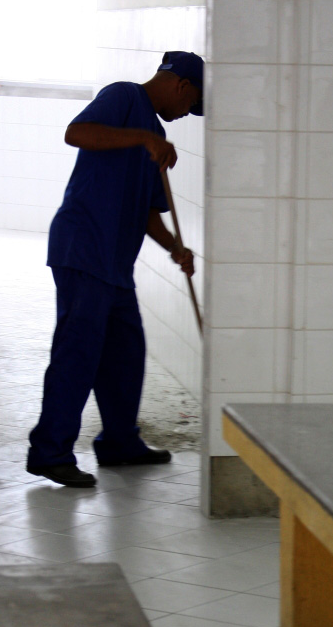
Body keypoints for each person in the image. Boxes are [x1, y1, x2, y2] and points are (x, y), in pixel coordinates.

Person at [27, 51, 204, 488]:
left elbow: (148, 213)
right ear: (181, 85)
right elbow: (76, 133)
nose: (188, 113)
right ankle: (50, 452)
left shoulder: (156, 136)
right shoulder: (124, 97)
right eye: (191, 103)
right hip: (85, 248)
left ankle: (120, 443)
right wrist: (142, 139)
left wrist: (176, 248)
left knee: (126, 353)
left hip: (115, 265)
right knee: (78, 352)